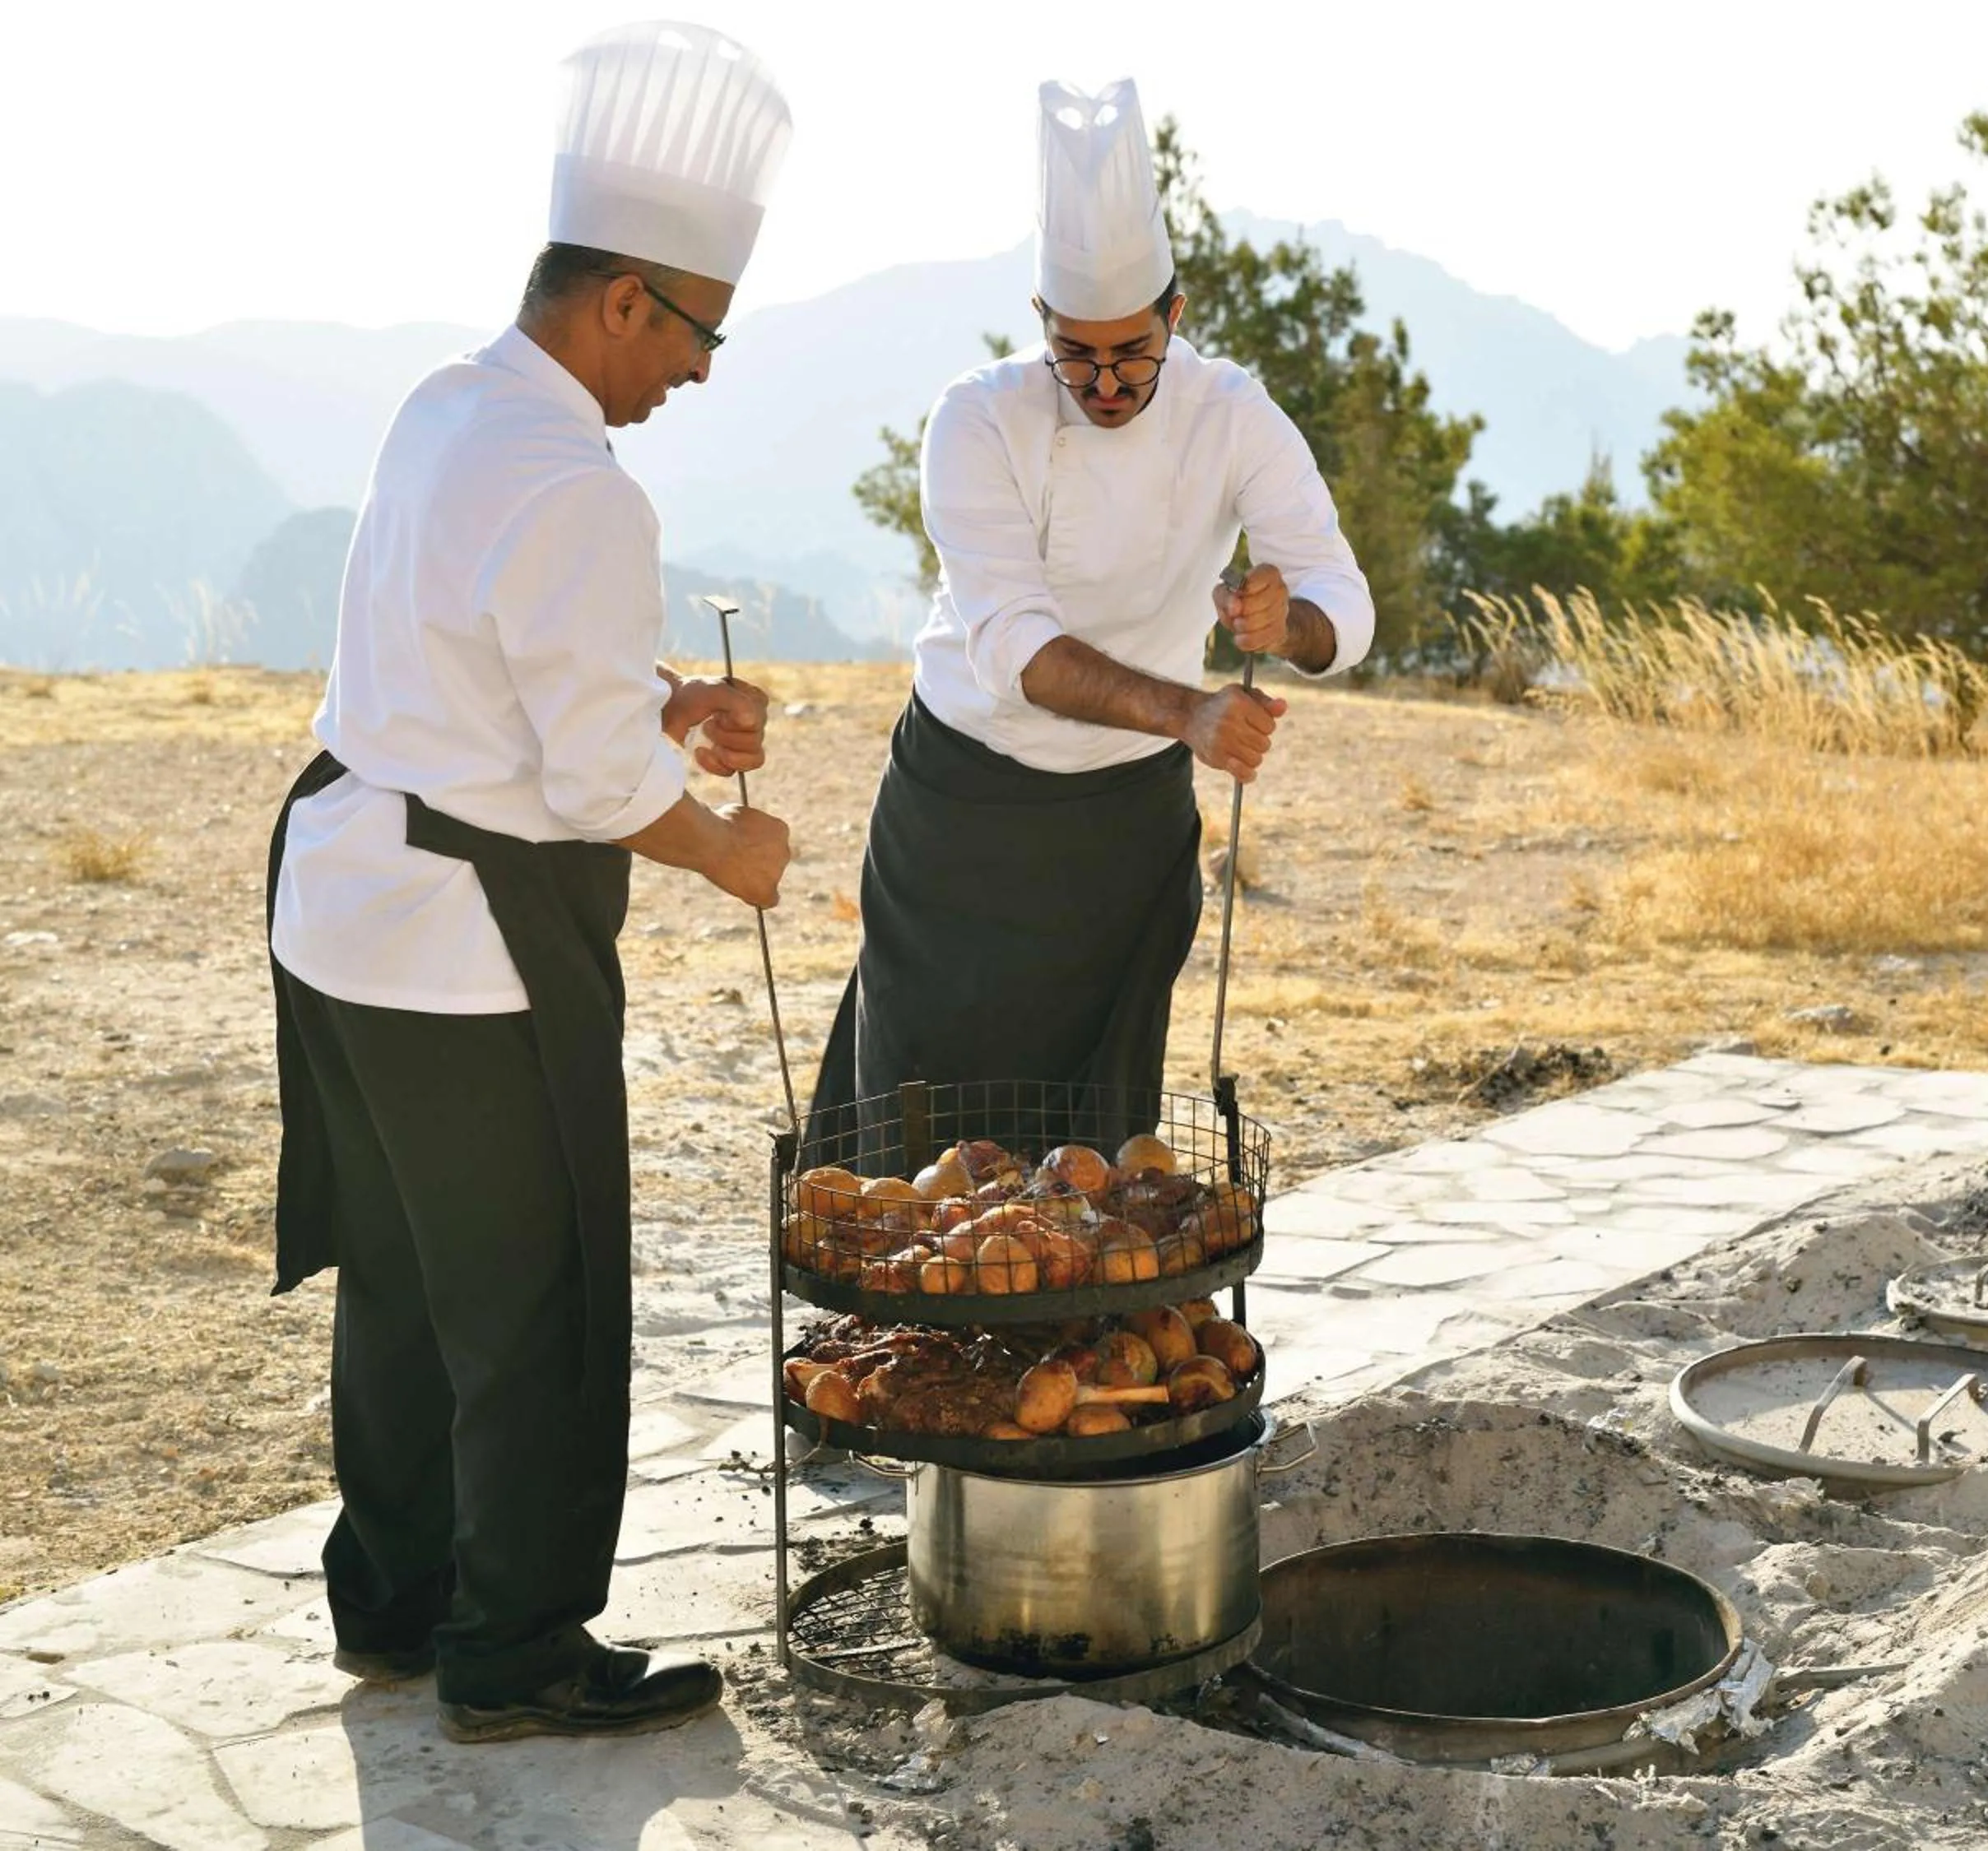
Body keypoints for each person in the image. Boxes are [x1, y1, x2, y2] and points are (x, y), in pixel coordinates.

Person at [264, 21, 794, 1744]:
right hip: (465, 936)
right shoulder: (584, 486)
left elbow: (475, 667)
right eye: (700, 333)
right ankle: (518, 1657)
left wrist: (664, 704)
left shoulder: (449, 401)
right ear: (627, 298)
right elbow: (583, 781)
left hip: (343, 888)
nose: (701, 372)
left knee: (413, 1284)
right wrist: (731, 846)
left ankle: (397, 1607)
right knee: (543, 1301)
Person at [802, 76, 1373, 1163]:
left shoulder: (1234, 416)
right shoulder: (977, 420)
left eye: (1132, 353)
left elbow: (1344, 605)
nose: (1105, 383)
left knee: (1101, 1147)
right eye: (1078, 353)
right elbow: (1014, 646)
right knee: (923, 1144)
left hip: (1124, 828)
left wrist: (1285, 617)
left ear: (1176, 317)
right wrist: (1188, 713)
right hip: (963, 811)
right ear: (1041, 325)